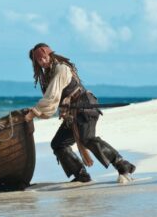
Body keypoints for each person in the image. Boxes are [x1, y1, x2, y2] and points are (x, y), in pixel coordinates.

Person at [24, 43, 136, 183]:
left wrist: (34, 112)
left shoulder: (61, 69)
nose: (43, 62)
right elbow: (53, 99)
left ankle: (122, 165)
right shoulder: (48, 75)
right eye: (39, 61)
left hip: (84, 107)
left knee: (87, 138)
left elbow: (51, 97)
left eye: (44, 58)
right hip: (73, 114)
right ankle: (81, 175)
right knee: (59, 144)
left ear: (50, 54)